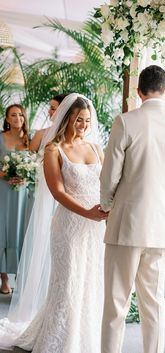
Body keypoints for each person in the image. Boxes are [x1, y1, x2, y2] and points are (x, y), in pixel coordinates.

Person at [0, 94, 108, 352]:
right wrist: (87, 212)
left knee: (89, 282)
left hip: (95, 227)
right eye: (78, 119)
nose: (83, 124)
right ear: (67, 118)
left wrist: (106, 210)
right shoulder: (53, 149)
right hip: (70, 224)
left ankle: (85, 340)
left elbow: (107, 183)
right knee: (68, 283)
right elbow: (57, 192)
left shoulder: (96, 148)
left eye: (87, 120)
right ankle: (61, 341)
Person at [100, 65, 165, 353]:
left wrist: (107, 207)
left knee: (117, 303)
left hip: (126, 225)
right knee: (153, 303)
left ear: (138, 92)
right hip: (161, 226)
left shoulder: (125, 122)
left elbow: (109, 176)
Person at [0, 104, 30, 294]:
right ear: (7, 118)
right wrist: (4, 174)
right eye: (13, 115)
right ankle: (4, 279)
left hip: (23, 194)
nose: (18, 117)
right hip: (3, 190)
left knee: (21, 232)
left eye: (20, 114)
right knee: (2, 231)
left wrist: (26, 176)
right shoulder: (0, 138)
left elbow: (38, 163)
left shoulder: (31, 139)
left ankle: (21, 275)